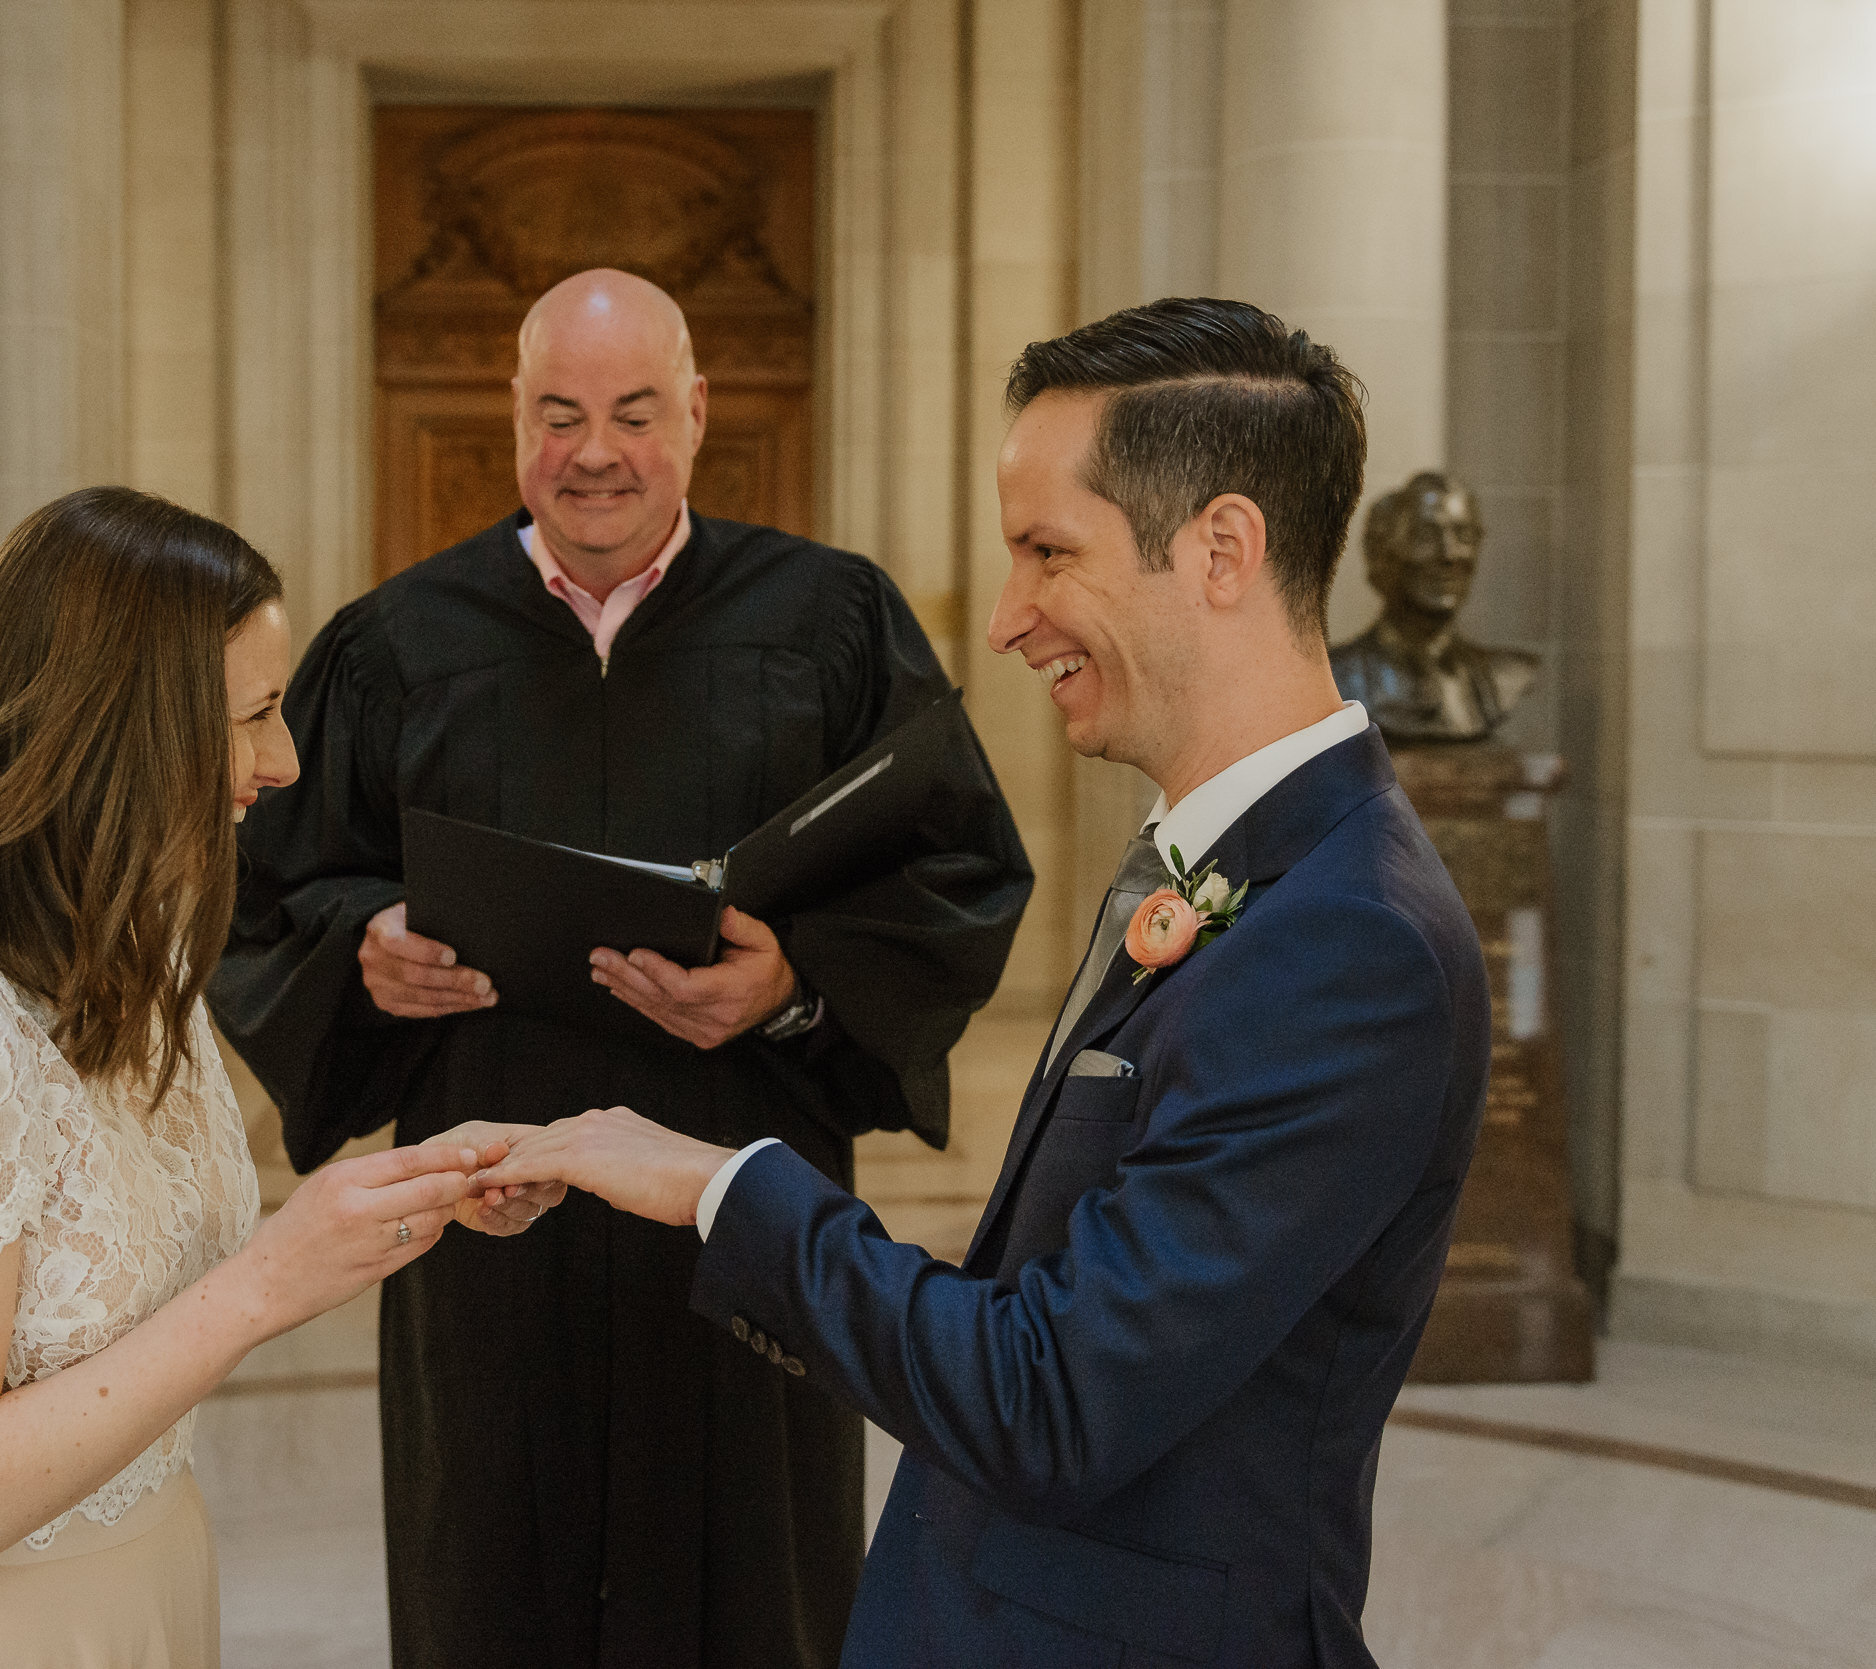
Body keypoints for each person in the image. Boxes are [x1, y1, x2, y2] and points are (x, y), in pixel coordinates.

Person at [479, 298, 1495, 1669]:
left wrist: (717, 1184)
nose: (1009, 618)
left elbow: (1052, 1398)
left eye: (1046, 553)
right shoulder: (1228, 865)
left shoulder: (1345, 940)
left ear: (1223, 548)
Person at [210, 270, 1032, 1667]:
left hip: (742, 1189)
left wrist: (794, 980)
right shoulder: (400, 641)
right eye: (561, 413)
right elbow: (266, 880)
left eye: (636, 413)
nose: (595, 452)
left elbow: (956, 869)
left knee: (750, 1581)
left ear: (698, 414)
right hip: (490, 1202)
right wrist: (368, 946)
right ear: (514, 418)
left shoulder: (830, 621)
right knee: (491, 1568)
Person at [0, 487, 560, 1669]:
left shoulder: (124, 962)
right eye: (256, 715)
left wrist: (394, 1202)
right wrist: (271, 1282)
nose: (281, 762)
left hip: (142, 1594)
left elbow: (113, 1291)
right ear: (119, 728)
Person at [1328, 469, 1539, 742]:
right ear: (1384, 553)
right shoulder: (1337, 676)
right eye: (1426, 537)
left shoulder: (1505, 676)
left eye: (1463, 536)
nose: (1449, 554)